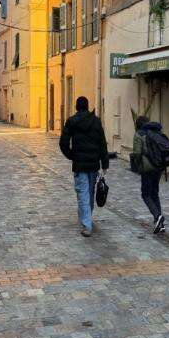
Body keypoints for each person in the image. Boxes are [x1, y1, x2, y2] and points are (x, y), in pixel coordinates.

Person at [59, 96, 109, 237]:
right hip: (93, 164)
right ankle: (87, 219)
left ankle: (87, 224)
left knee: (83, 193)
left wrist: (72, 155)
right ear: (87, 106)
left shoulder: (72, 122)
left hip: (80, 164)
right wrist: (104, 164)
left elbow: (63, 143)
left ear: (76, 107)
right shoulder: (96, 121)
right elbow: (102, 144)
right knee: (90, 193)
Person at [132, 116, 165, 234]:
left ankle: (157, 215)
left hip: (147, 168)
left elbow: (137, 153)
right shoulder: (156, 131)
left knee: (145, 194)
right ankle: (159, 222)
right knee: (154, 193)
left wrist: (136, 166)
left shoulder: (139, 134)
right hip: (159, 166)